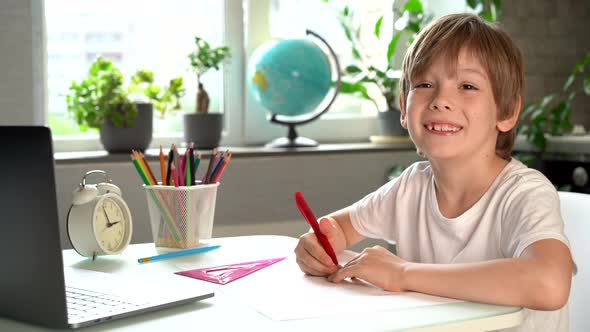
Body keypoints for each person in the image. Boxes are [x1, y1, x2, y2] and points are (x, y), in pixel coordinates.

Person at [294, 13, 574, 331]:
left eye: (468, 86)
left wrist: (403, 273)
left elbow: (549, 284)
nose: (441, 100)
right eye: (425, 84)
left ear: (507, 111)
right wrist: (317, 244)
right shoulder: (410, 187)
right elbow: (338, 229)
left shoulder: (524, 193)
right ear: (403, 107)